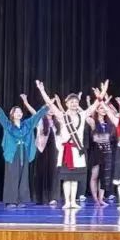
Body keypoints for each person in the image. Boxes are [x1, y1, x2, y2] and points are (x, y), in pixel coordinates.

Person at [37, 80, 96, 209]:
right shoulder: (62, 116)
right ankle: (67, 202)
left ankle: (73, 202)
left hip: (77, 150)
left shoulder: (82, 115)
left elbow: (93, 107)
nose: (74, 104)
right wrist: (42, 91)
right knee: (67, 177)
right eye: (71, 102)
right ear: (67, 103)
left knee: (74, 178)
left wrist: (101, 96)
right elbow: (50, 104)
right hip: (66, 150)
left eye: (76, 102)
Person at [0, 92, 50, 207]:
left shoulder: (27, 124)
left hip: (24, 153)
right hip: (12, 153)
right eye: (16, 112)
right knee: (12, 176)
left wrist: (46, 106)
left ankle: (21, 200)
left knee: (23, 176)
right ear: (12, 114)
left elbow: (36, 117)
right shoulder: (8, 125)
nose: (19, 113)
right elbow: (1, 117)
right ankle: (11, 200)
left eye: (20, 112)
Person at [85, 101, 115, 207]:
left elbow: (110, 138)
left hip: (107, 152)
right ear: (97, 110)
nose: (103, 110)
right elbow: (84, 116)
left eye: (104, 108)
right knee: (95, 176)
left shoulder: (109, 123)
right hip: (96, 152)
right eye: (101, 108)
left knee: (104, 177)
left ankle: (101, 199)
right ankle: (95, 198)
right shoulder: (93, 121)